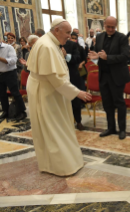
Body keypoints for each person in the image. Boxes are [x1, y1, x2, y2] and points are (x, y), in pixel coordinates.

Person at [26, 19, 92, 176]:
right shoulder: (47, 46)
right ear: (56, 30)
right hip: (46, 92)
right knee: (52, 128)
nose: (70, 36)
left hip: (51, 91)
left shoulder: (50, 42)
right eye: (68, 32)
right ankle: (59, 166)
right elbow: (54, 78)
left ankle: (67, 161)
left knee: (59, 126)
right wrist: (78, 92)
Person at [88, 16, 130, 140]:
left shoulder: (122, 38)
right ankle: (111, 127)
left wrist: (108, 58)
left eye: (113, 27)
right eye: (108, 26)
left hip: (117, 76)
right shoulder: (100, 37)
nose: (110, 29)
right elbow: (97, 53)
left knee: (119, 103)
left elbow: (125, 56)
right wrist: (95, 57)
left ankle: (122, 129)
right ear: (104, 25)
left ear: (116, 26)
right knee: (107, 103)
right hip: (104, 75)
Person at [0, 35, 27, 121]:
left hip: (10, 73)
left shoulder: (8, 48)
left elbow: (13, 61)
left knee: (15, 93)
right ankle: (5, 111)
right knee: (2, 94)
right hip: (0, 74)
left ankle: (22, 112)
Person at [63, 32, 85, 131]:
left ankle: (78, 121)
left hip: (72, 76)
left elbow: (77, 58)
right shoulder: (51, 45)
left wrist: (66, 55)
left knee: (75, 100)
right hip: (58, 77)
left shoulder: (72, 45)